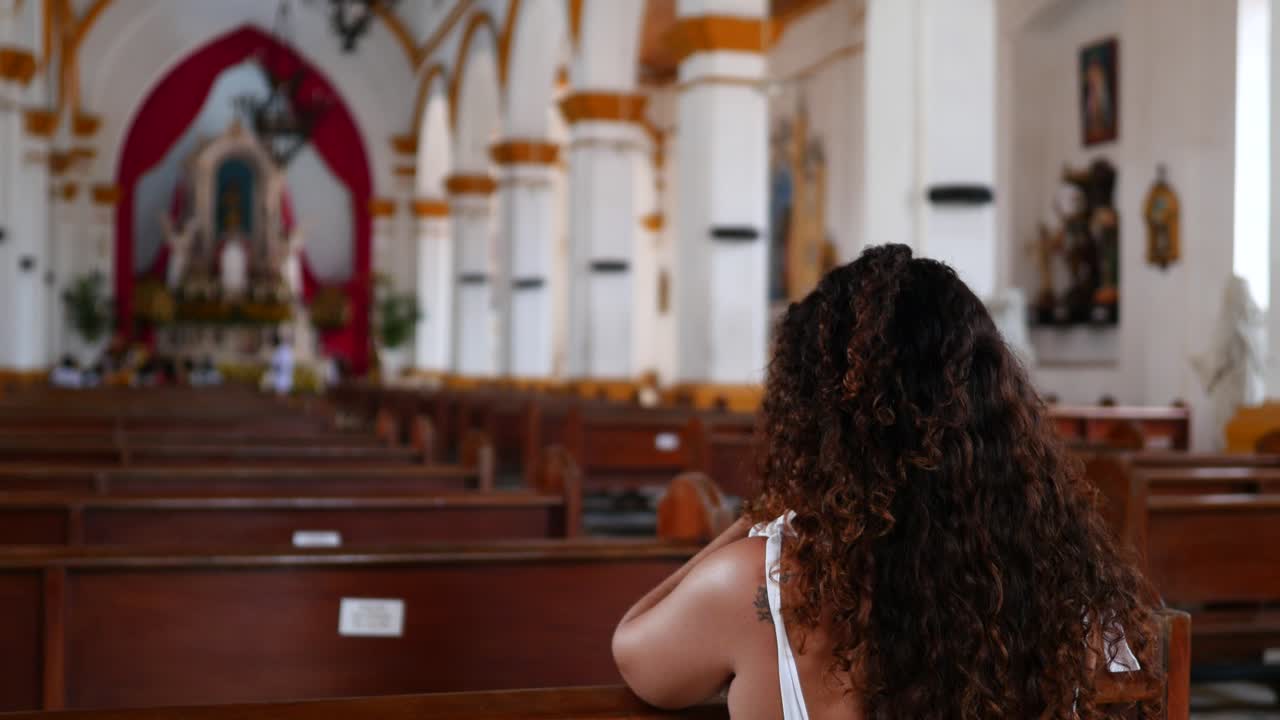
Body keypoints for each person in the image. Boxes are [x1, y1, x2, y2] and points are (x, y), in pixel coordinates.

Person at [612, 245, 1157, 719]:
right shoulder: (1065, 582)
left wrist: (748, 526)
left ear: (814, 422)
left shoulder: (759, 585)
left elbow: (633, 650)